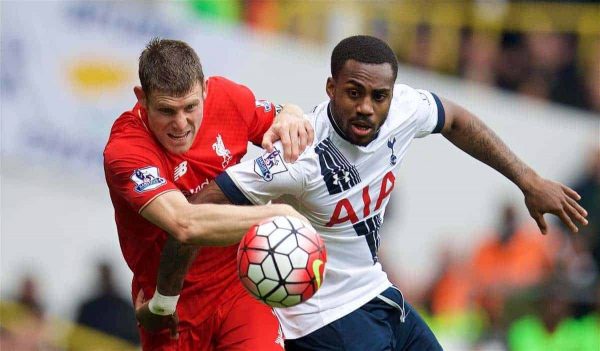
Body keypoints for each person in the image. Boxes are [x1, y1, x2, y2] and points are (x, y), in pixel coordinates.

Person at [142, 35, 588, 350]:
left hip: (377, 294)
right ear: (331, 88)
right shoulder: (297, 155)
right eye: (353, 93)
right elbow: (194, 218)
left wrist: (528, 180)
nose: (366, 108)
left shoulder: (403, 110)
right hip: (321, 323)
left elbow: (456, 120)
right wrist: (166, 301)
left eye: (379, 96)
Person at [103, 38, 314, 350]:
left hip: (241, 284)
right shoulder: (126, 150)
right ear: (142, 98)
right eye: (166, 111)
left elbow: (281, 116)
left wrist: (291, 113)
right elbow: (184, 224)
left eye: (190, 107)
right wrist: (277, 215)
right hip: (173, 310)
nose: (180, 124)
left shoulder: (229, 99)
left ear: (204, 89)